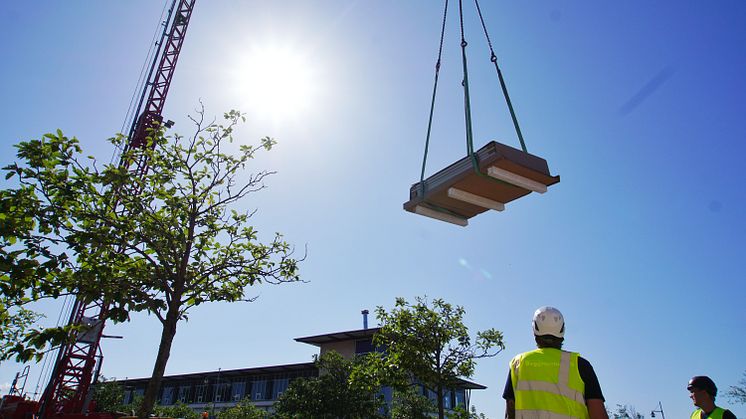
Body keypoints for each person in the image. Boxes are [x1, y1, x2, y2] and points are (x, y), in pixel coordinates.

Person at [502, 306, 608, 419]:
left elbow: (510, 410)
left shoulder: (518, 363)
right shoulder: (580, 365)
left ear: (534, 331)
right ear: (562, 331)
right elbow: (598, 414)